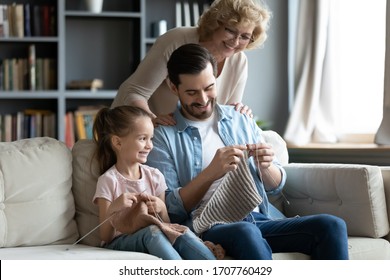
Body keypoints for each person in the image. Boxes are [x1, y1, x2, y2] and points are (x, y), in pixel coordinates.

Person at [146, 43, 350, 260]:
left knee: (331, 225)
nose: (203, 100)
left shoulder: (239, 118)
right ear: (173, 87)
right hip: (210, 225)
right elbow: (170, 208)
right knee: (246, 231)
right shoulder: (162, 136)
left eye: (209, 88)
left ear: (216, 77)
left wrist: (266, 167)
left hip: (259, 218)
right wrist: (212, 172)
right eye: (192, 92)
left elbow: (275, 187)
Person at [111, 0, 271, 125]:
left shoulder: (239, 62)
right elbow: (134, 92)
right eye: (230, 30)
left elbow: (226, 114)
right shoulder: (176, 40)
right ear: (216, 23)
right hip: (138, 125)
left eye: (244, 36)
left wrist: (240, 111)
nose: (235, 41)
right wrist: (151, 121)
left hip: (184, 135)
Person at [91, 105, 217, 260]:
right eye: (142, 139)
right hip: (119, 241)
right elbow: (105, 236)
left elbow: (166, 226)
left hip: (154, 232)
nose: (149, 145)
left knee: (181, 233)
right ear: (117, 142)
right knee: (153, 232)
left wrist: (162, 208)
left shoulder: (155, 176)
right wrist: (113, 209)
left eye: (150, 138)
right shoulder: (108, 181)